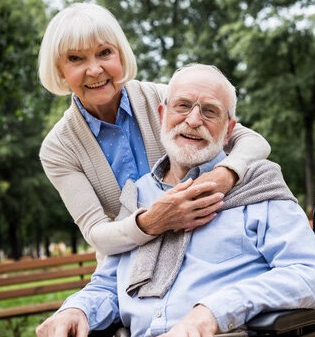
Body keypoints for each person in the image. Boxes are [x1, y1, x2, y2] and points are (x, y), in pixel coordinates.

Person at [35, 63, 315, 337]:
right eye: (183, 106)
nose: (193, 120)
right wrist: (77, 309)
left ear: (229, 129)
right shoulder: (138, 196)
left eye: (210, 111)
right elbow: (109, 284)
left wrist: (211, 312)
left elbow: (309, 274)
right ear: (162, 116)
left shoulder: (257, 185)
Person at [38, 2, 271, 261]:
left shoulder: (166, 99)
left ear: (121, 55)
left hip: (200, 247)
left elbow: (253, 141)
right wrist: (153, 221)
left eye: (104, 52)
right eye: (75, 58)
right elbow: (96, 233)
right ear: (59, 69)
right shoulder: (58, 148)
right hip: (127, 267)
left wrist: (225, 175)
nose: (94, 70)